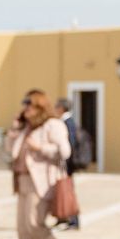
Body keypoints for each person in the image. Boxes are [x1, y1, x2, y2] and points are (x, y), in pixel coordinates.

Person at [5, 90, 76, 239]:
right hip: (23, 181)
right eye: (24, 105)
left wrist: (40, 148)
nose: (25, 109)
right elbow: (11, 150)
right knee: (23, 230)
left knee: (34, 224)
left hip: (42, 183)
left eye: (29, 105)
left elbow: (64, 151)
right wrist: (14, 130)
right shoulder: (26, 128)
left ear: (39, 107)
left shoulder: (52, 125)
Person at [52, 98, 82, 231]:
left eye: (56, 106)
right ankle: (62, 218)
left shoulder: (67, 122)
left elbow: (70, 144)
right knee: (61, 190)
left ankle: (73, 221)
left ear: (61, 108)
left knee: (68, 191)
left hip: (66, 164)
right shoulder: (66, 121)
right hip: (64, 164)